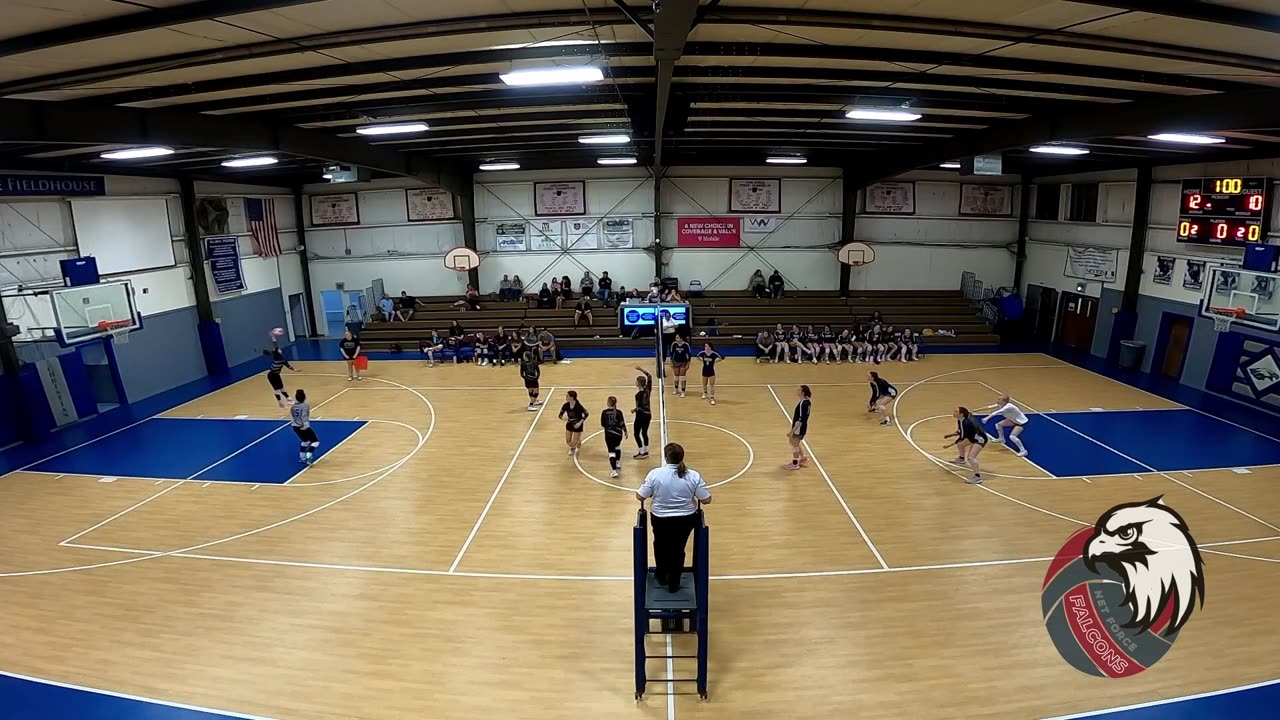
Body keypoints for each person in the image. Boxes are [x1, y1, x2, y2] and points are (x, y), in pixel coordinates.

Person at [636, 443, 712, 594]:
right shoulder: (693, 475)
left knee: (660, 545)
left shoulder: (655, 474)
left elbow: (640, 496)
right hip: (685, 519)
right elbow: (706, 500)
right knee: (678, 549)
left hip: (660, 519)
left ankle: (661, 575)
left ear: (665, 457)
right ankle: (674, 583)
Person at [944, 406, 988, 484]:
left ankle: (977, 477)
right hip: (972, 437)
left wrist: (950, 444)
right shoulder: (960, 420)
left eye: (956, 411)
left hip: (980, 439)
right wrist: (951, 435)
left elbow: (963, 437)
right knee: (960, 445)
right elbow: (960, 431)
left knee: (971, 457)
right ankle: (961, 459)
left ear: (961, 414)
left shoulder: (967, 423)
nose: (954, 413)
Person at [783, 385, 812, 470]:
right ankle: (803, 458)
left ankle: (795, 464)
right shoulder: (807, 401)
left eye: (799, 390)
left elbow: (800, 419)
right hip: (803, 427)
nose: (797, 391)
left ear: (803, 393)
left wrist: (792, 431)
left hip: (799, 428)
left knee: (793, 444)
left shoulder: (802, 404)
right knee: (795, 443)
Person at [601, 396, 629, 478]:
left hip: (609, 435)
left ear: (608, 403)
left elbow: (603, 424)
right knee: (617, 446)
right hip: (618, 434)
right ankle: (618, 462)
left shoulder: (604, 412)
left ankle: (614, 471)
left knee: (611, 451)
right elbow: (622, 423)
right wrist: (625, 431)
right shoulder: (619, 412)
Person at [290, 388, 320, 466]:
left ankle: (302, 458)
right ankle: (309, 456)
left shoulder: (293, 407)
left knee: (306, 441)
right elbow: (304, 416)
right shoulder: (305, 406)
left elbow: (293, 416)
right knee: (315, 442)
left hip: (295, 426)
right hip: (303, 426)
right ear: (304, 397)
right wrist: (305, 425)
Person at [558, 390, 590, 455]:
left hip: (577, 424)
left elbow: (586, 414)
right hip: (569, 423)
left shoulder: (578, 406)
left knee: (573, 443)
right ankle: (576, 441)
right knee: (568, 441)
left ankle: (573, 447)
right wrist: (563, 418)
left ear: (572, 397)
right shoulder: (565, 405)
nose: (566, 397)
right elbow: (560, 415)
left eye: (567, 396)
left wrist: (580, 423)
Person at [632, 366, 653, 459]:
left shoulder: (638, 395)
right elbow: (650, 376)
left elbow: (640, 407)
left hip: (641, 415)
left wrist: (635, 409)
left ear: (639, 384)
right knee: (644, 432)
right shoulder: (648, 390)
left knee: (636, 433)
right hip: (648, 415)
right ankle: (646, 451)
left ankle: (641, 451)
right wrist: (641, 369)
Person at [669, 333, 692, 398]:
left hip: (683, 362)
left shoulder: (686, 345)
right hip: (675, 362)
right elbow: (671, 354)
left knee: (682, 376)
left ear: (681, 338)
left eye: (677, 338)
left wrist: (688, 364)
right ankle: (676, 389)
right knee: (676, 376)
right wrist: (671, 362)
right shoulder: (674, 344)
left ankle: (683, 391)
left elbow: (689, 355)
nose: (676, 339)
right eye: (676, 338)